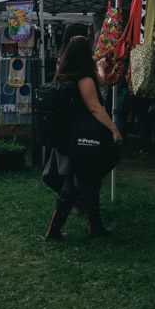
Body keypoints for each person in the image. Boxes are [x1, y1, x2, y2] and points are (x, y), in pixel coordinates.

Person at [44, 35, 123, 240]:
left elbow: (101, 80)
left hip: (67, 137)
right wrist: (113, 128)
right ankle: (57, 230)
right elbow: (95, 107)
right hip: (82, 138)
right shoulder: (84, 78)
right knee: (76, 183)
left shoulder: (64, 75)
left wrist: (99, 67)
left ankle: (93, 225)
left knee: (88, 179)